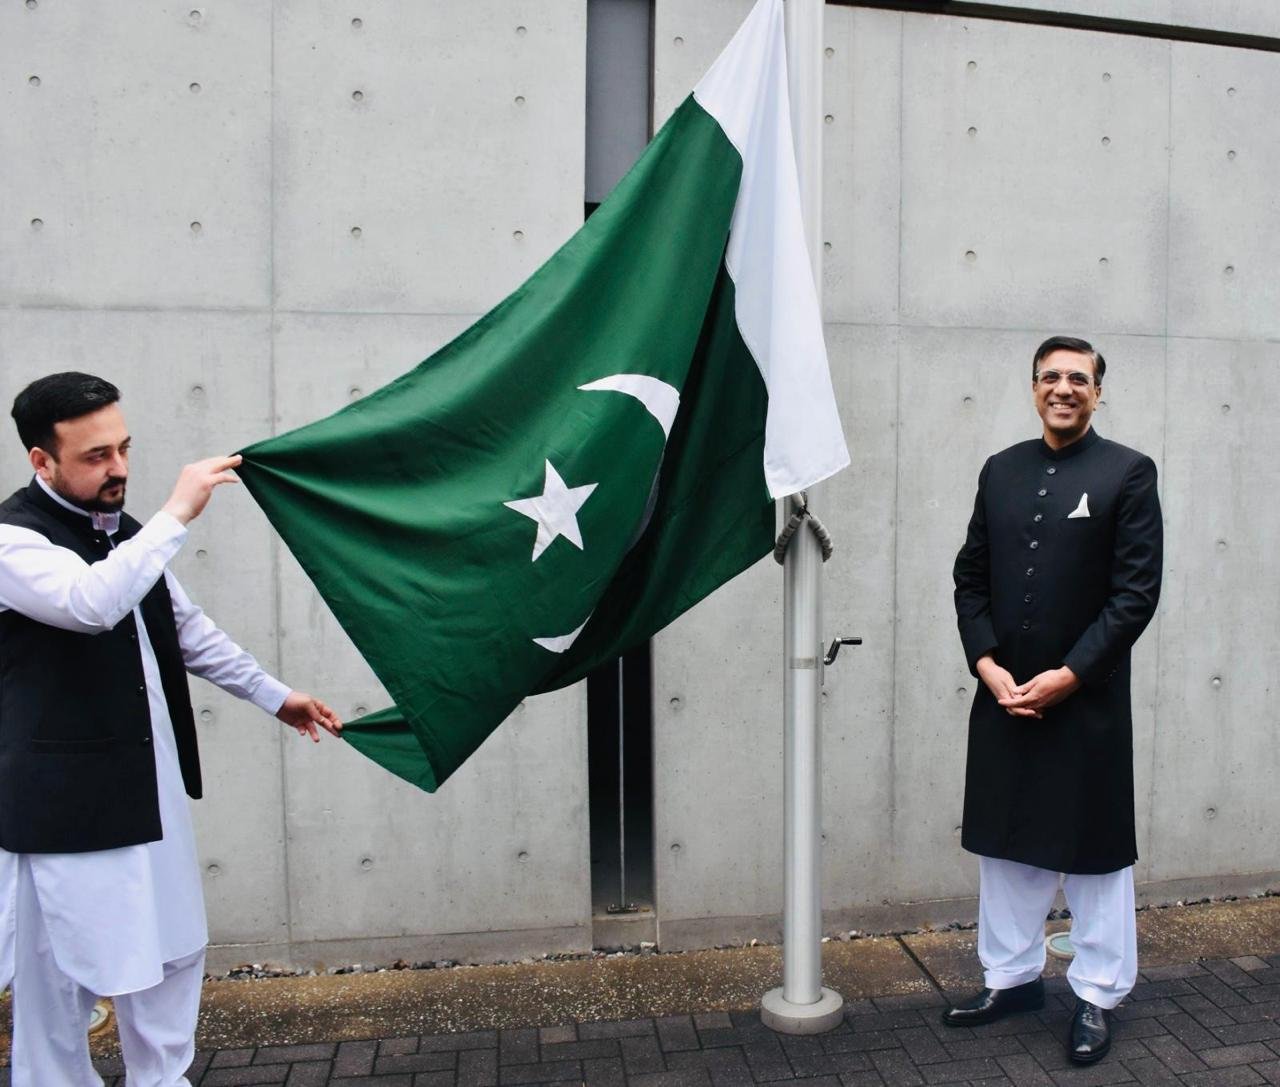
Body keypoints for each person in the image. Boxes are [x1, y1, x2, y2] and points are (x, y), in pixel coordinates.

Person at [0, 372, 342, 1086]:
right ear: (41, 460)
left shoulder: (127, 536)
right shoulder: (12, 541)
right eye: (96, 455)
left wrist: (276, 696)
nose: (118, 467)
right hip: (62, 808)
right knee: (62, 976)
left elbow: (187, 631)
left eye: (123, 448)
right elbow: (89, 604)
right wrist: (177, 513)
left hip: (148, 789)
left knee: (173, 950)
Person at [945, 337, 1162, 1064]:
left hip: (1086, 700)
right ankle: (1011, 981)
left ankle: (1097, 993)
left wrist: (1070, 676)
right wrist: (986, 664)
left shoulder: (1128, 471)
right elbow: (970, 577)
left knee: (1096, 855)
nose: (1064, 388)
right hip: (1005, 695)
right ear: (1033, 387)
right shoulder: (1000, 469)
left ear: (1098, 392)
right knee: (1007, 846)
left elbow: (1135, 595)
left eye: (1079, 378)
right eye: (1051, 376)